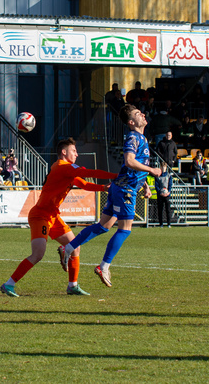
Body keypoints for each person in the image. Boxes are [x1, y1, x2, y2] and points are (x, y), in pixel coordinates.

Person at [0, 137, 117, 298]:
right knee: (38, 254)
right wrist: (116, 175)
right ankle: (9, 284)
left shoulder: (68, 170)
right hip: (40, 216)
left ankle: (72, 286)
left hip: (53, 216)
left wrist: (103, 187)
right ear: (64, 152)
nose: (76, 154)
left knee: (75, 247)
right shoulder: (63, 167)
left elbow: (83, 184)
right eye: (74, 151)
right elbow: (88, 172)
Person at [62, 104, 161, 287]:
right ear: (131, 122)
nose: (143, 115)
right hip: (125, 189)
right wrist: (152, 170)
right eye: (138, 114)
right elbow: (129, 161)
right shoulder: (133, 137)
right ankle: (104, 266)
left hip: (122, 186)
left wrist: (145, 184)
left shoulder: (141, 138)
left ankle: (68, 247)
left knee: (104, 226)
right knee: (125, 229)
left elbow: (134, 165)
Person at [154, 162, 172, 227]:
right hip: (160, 195)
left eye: (164, 167)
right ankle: (161, 224)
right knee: (160, 210)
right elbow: (156, 185)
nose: (163, 168)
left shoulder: (168, 175)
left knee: (168, 209)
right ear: (160, 167)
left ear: (166, 168)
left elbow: (170, 185)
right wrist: (160, 192)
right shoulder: (158, 176)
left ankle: (169, 224)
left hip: (167, 195)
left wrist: (168, 192)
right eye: (162, 167)